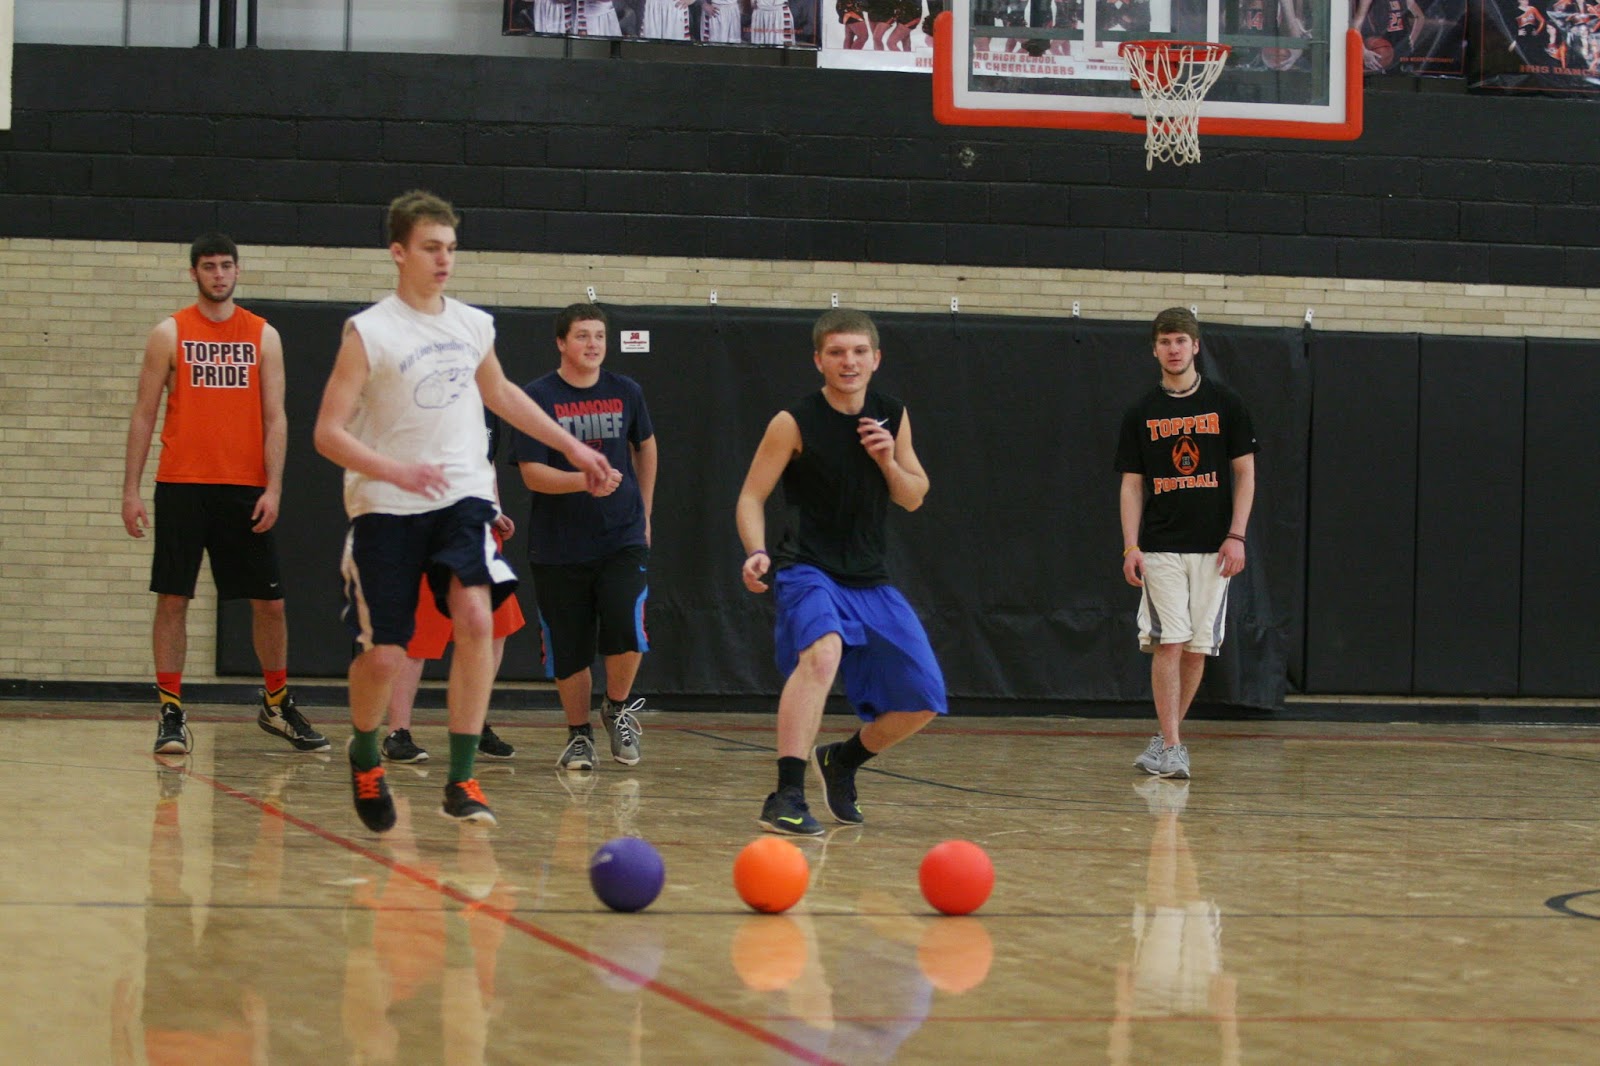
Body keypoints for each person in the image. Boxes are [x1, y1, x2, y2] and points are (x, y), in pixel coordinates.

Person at [313, 190, 614, 833]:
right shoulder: (369, 332)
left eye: (450, 248)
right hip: (386, 505)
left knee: (477, 616)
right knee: (386, 655)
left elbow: (501, 393)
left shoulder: (473, 325)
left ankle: (461, 777)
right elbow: (327, 434)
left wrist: (572, 446)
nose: (444, 259)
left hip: (461, 498)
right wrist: (394, 470)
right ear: (399, 252)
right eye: (431, 248)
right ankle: (364, 752)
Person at [736, 308, 946, 837]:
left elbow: (914, 496)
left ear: (876, 359)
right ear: (819, 361)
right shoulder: (793, 422)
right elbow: (751, 496)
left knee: (923, 699)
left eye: (858, 352)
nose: (848, 361)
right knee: (823, 653)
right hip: (807, 568)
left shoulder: (891, 414)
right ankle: (786, 793)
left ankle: (841, 761)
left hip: (869, 578)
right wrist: (755, 550)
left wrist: (888, 462)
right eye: (836, 352)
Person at [122, 233, 328, 758]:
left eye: (226, 266)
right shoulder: (169, 333)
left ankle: (276, 703)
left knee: (271, 603)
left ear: (238, 271)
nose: (218, 274)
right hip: (181, 485)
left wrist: (274, 487)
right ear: (194, 273)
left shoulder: (263, 335)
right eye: (209, 266)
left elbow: (276, 417)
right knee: (173, 598)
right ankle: (171, 712)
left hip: (244, 488)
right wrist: (130, 490)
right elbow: (144, 413)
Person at [509, 303, 657, 773]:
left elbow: (646, 447)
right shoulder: (537, 397)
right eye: (582, 336)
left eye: (599, 336)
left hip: (622, 536)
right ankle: (578, 735)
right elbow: (531, 473)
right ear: (560, 342)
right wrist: (584, 480)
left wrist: (645, 510)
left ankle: (617, 707)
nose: (593, 344)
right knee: (568, 646)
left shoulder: (626, 391)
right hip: (558, 544)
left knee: (627, 623)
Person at [1115, 307, 1257, 782]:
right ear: (1154, 350)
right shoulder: (1141, 412)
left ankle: (1164, 737)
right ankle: (1174, 747)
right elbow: (1132, 485)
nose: (1173, 349)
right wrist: (1130, 546)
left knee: (1197, 647)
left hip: (1215, 548)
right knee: (1169, 642)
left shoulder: (1226, 403)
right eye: (1165, 341)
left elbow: (1245, 473)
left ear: (1196, 346)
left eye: (1180, 340)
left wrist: (1237, 535)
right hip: (1161, 546)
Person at [383, 414, 522, 766]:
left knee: (494, 630)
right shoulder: (424, 402)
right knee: (418, 636)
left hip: (478, 531)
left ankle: (472, 722)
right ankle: (396, 732)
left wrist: (495, 510)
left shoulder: (488, 411)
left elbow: (487, 464)